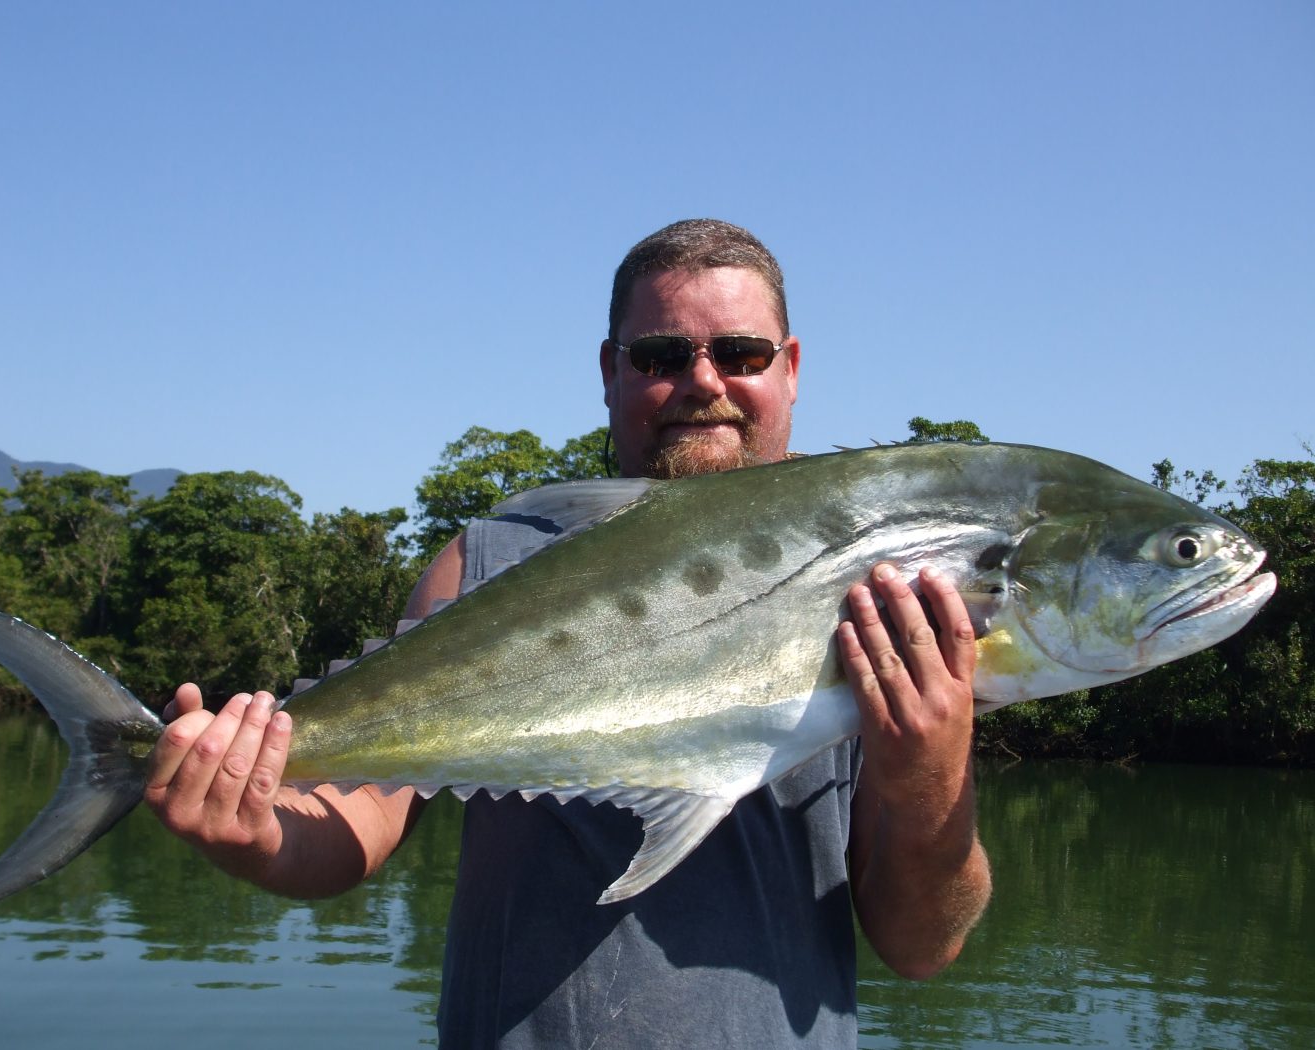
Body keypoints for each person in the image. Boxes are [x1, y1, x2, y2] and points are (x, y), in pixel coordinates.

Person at [145, 219, 991, 1046]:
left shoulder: (885, 594)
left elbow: (922, 946)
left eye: (740, 353)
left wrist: (933, 777)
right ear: (609, 371)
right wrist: (256, 832)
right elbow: (361, 813)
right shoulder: (490, 563)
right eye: (661, 356)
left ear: (792, 368)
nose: (703, 382)